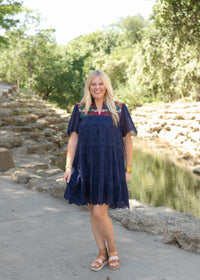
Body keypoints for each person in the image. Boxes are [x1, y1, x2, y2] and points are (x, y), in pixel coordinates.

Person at [63, 70, 137, 271]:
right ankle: (101, 252)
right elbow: (74, 138)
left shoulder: (119, 109)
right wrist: (69, 167)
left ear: (106, 86)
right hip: (85, 166)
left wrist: (128, 168)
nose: (97, 87)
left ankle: (112, 249)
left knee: (99, 213)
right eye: (93, 84)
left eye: (100, 84)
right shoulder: (80, 109)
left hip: (110, 167)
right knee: (92, 211)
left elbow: (127, 141)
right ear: (89, 87)